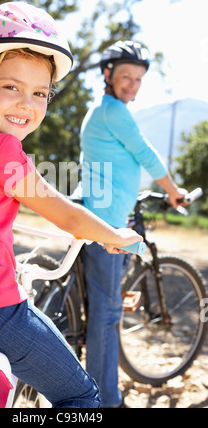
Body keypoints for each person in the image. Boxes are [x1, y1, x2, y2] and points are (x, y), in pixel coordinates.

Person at [0, 4, 143, 409]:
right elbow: (65, 213)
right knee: (81, 395)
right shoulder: (3, 152)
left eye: (39, 93)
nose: (26, 104)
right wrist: (115, 235)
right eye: (12, 87)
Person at [76, 40, 187, 407]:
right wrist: (173, 191)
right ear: (107, 75)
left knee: (104, 307)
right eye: (126, 77)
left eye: (138, 79)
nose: (132, 85)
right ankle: (106, 401)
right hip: (106, 224)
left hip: (99, 214)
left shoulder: (103, 111)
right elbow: (145, 153)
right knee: (106, 314)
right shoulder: (113, 111)